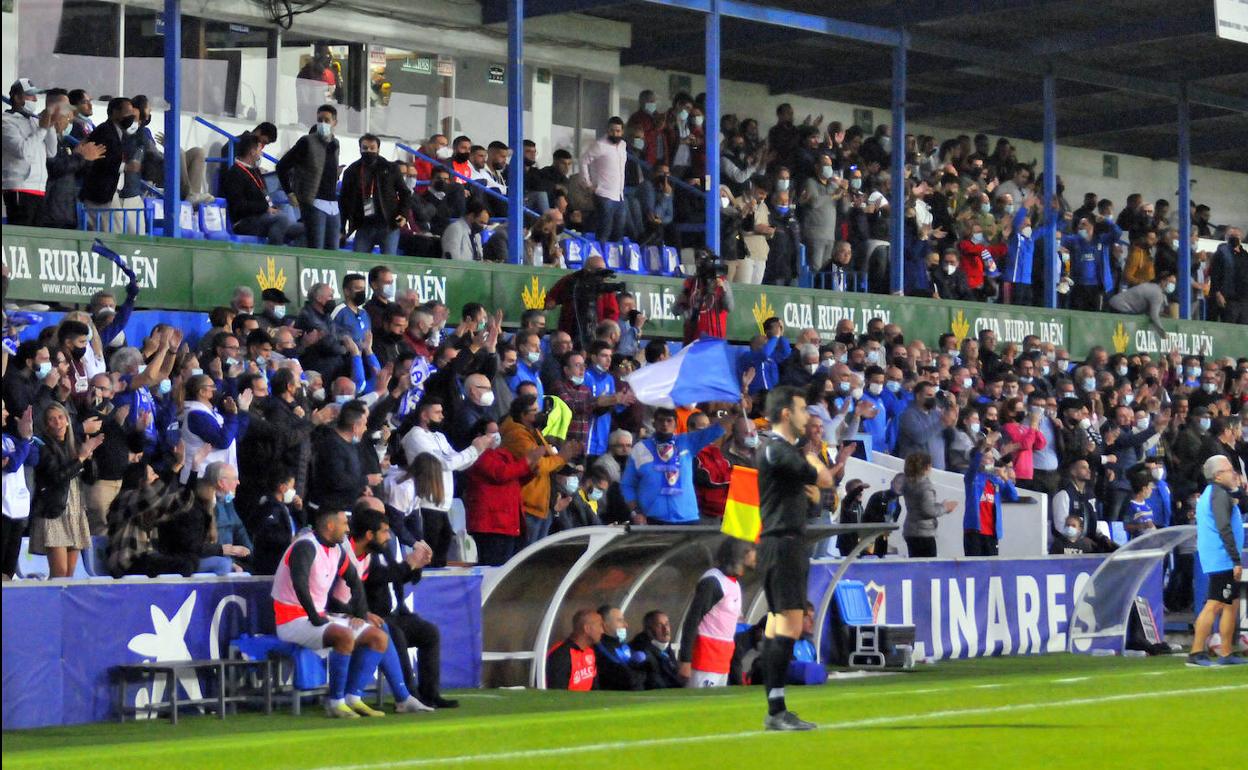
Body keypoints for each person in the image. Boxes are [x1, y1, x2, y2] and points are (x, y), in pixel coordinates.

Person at [755, 385, 837, 731]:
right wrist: (816, 463)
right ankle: (776, 711)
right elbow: (824, 478)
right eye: (803, 410)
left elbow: (818, 498)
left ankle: (776, 707)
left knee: (778, 627)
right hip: (783, 544)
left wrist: (817, 487)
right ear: (787, 413)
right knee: (787, 626)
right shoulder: (776, 450)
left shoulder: (781, 453)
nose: (808, 417)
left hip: (786, 543)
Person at [270, 506, 394, 717]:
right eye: (344, 524)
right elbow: (300, 584)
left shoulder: (336, 550)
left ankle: (353, 697)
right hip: (291, 619)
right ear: (330, 525)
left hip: (317, 616)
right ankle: (335, 702)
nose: (348, 529)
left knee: (378, 637)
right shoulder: (306, 546)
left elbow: (354, 581)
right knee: (344, 637)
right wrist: (314, 616)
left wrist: (360, 615)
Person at [343, 501, 454, 709]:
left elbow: (397, 575)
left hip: (395, 612)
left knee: (429, 632)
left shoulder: (384, 545)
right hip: (373, 615)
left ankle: (430, 694)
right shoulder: (355, 551)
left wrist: (416, 565)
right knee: (396, 634)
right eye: (381, 521)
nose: (387, 526)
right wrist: (409, 563)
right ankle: (407, 695)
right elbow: (377, 577)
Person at [621, 405, 732, 525]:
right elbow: (627, 485)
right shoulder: (640, 448)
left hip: (688, 518)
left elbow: (716, 430)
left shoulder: (687, 442)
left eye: (669, 420)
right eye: (661, 420)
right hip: (653, 519)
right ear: (654, 423)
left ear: (675, 424)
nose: (665, 424)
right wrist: (636, 512)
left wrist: (733, 412)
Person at [29, 403, 104, 577]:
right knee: (59, 573)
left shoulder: (75, 443)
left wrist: (90, 459)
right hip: (55, 511)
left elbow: (90, 479)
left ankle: (60, 604)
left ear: (68, 421)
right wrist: (81, 457)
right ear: (47, 425)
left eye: (61, 417)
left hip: (75, 509)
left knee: (69, 575)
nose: (58, 422)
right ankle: (49, 603)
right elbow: (57, 476)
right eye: (52, 419)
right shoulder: (44, 446)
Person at [1186, 455, 1246, 666]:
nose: (1233, 473)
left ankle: (1226, 652)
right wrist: (1235, 559)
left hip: (1222, 558)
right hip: (1222, 559)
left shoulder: (1216, 493)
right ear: (1218, 475)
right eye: (1229, 469)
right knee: (1215, 604)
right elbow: (1224, 527)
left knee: (1231, 605)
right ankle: (1195, 652)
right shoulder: (1218, 495)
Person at [678, 538, 755, 688]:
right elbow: (692, 620)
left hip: (722, 661)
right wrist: (685, 659)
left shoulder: (733, 583)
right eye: (752, 550)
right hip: (705, 659)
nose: (756, 555)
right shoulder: (714, 582)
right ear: (741, 553)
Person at [276, 104, 342, 250]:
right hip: (314, 202)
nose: (323, 123)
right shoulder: (306, 142)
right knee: (316, 248)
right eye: (320, 120)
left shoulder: (335, 144)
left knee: (334, 250)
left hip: (333, 205)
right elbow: (282, 166)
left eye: (327, 120)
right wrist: (290, 192)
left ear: (335, 123)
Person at [223, 132, 305, 246]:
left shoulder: (255, 171)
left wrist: (271, 208)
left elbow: (264, 195)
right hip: (245, 222)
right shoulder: (234, 173)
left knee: (304, 229)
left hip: (264, 217)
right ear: (252, 151)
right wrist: (265, 209)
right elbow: (239, 206)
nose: (261, 153)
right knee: (281, 219)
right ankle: (275, 255)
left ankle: (293, 257)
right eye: (259, 149)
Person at [340, 134, 411, 255]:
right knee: (358, 261)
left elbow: (405, 193)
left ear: (378, 149)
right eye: (365, 148)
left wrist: (403, 214)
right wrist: (341, 228)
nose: (368, 151)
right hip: (363, 224)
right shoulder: (351, 171)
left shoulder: (391, 168)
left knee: (388, 263)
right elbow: (344, 201)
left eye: (372, 148)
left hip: (388, 223)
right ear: (360, 149)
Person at [963, 434, 1021, 557]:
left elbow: (1014, 497)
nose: (992, 461)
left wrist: (1006, 479)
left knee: (991, 570)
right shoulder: (972, 478)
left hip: (992, 533)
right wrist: (983, 447)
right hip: (974, 531)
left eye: (992, 458)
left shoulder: (996, 481)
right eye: (987, 458)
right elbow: (974, 466)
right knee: (974, 569)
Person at [900, 451, 958, 557]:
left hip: (910, 530)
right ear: (927, 467)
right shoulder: (926, 486)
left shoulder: (907, 483)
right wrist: (945, 507)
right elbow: (928, 510)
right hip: (923, 532)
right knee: (928, 567)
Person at [581, 117, 628, 242]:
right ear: (607, 130)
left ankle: (614, 259)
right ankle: (600, 257)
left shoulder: (623, 145)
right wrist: (588, 183)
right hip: (604, 193)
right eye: (612, 130)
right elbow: (584, 161)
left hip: (619, 195)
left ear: (622, 132)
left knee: (619, 230)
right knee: (605, 230)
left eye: (618, 131)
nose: (615, 133)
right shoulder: (600, 145)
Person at [546, 608, 603, 690]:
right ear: (587, 629)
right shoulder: (561, 654)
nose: (602, 631)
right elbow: (556, 693)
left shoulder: (590, 652)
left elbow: (594, 687)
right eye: (600, 625)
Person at [594, 605, 645, 691]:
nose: (626, 625)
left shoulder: (623, 645)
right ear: (605, 626)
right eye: (620, 620)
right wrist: (641, 674)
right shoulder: (600, 648)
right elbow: (628, 678)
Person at [630, 610, 683, 689]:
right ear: (648, 630)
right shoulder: (640, 650)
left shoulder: (665, 647)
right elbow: (656, 682)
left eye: (667, 624)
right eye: (659, 625)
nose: (666, 629)